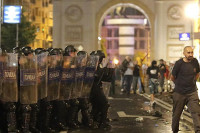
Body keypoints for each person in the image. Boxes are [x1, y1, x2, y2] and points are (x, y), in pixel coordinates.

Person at [171, 46, 200, 133]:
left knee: (196, 113)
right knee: (176, 114)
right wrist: (179, 85)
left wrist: (192, 82)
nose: (190, 54)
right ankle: (175, 131)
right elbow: (172, 77)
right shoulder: (179, 63)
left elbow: (197, 73)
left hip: (192, 92)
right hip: (179, 93)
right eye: (188, 52)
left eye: (192, 52)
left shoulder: (195, 62)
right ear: (184, 53)